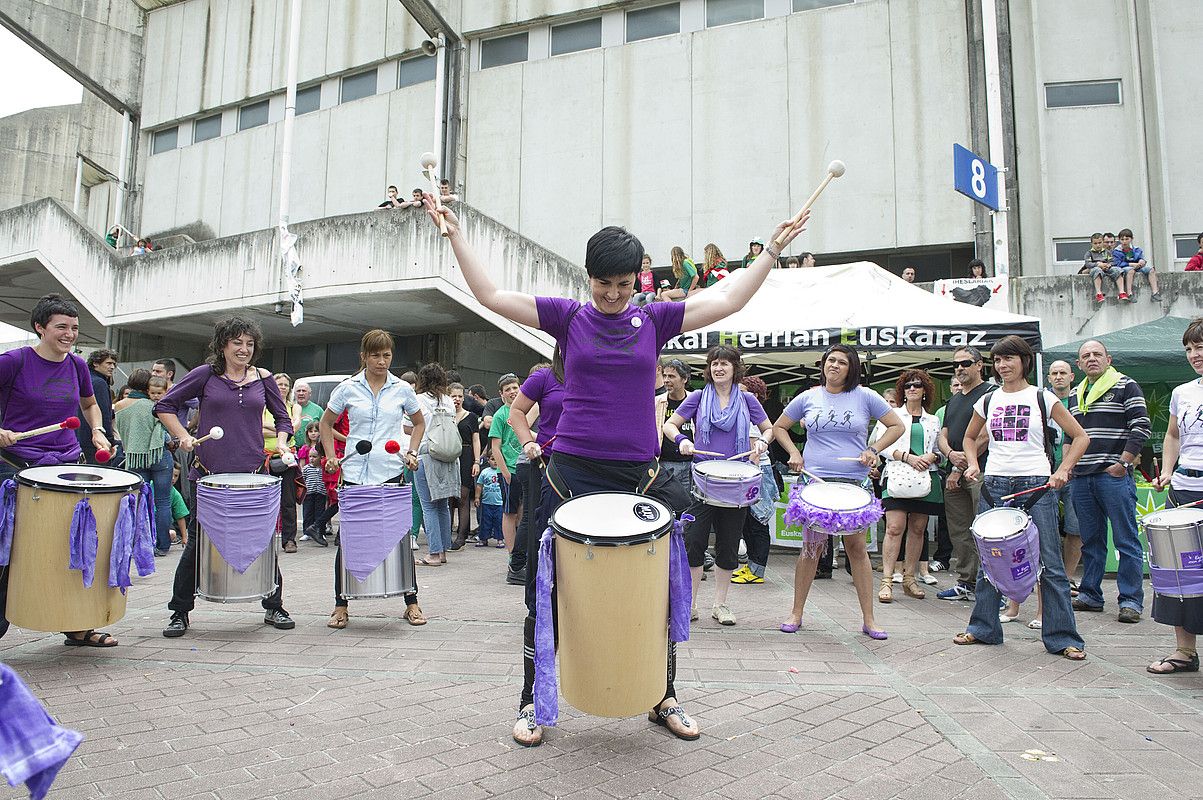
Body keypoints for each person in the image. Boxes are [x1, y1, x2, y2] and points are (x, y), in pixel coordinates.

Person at [422, 191, 808, 746]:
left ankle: (662, 694)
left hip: (637, 475)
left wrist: (770, 250)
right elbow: (489, 293)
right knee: (546, 589)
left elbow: (726, 303)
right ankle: (533, 700)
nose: (612, 294)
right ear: (589, 277)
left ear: (637, 280)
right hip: (570, 472)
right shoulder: (568, 316)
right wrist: (455, 232)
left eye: (624, 284)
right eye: (604, 283)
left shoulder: (654, 320)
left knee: (656, 590)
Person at [155, 316, 296, 638]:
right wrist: (182, 436)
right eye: (237, 343)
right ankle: (179, 611)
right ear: (222, 345)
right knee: (198, 543)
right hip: (209, 475)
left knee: (261, 542)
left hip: (253, 474)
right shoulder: (206, 375)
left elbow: (283, 419)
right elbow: (165, 405)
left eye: (249, 344)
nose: (244, 349)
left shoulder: (263, 378)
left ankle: (274, 605)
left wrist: (284, 442)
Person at [952, 335, 1089, 661]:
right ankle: (983, 628)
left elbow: (1080, 437)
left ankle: (1063, 637)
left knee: (1051, 564)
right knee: (989, 560)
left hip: (1036, 486)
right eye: (998, 360)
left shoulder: (1042, 397)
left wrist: (1063, 470)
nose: (1003, 366)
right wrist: (973, 463)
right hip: (994, 484)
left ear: (1024, 361)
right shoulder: (988, 399)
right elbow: (970, 437)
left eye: (1009, 359)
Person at [0, 294, 115, 645]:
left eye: (75, 328)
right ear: (40, 327)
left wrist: (96, 429)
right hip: (16, 466)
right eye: (61, 327)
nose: (69, 334)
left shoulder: (78, 366)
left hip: (65, 465)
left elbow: (90, 404)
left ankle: (76, 624)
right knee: (9, 552)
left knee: (70, 546)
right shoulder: (13, 361)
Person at [770, 344, 906, 639]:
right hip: (816, 482)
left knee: (857, 549)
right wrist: (795, 453)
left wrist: (874, 449)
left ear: (851, 368)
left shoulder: (866, 396)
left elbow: (896, 426)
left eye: (841, 362)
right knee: (811, 549)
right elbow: (780, 427)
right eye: (830, 360)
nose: (834, 366)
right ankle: (796, 612)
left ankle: (869, 619)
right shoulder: (808, 397)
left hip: (853, 484)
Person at [319, 329, 426, 628]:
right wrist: (331, 456)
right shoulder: (347, 388)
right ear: (364, 356)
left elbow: (419, 422)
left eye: (387, 355)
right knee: (348, 540)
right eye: (375, 355)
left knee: (399, 538)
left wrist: (412, 451)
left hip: (391, 471)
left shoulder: (402, 389)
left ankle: (412, 602)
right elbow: (326, 424)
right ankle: (341, 605)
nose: (382, 361)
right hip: (354, 473)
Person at [663, 346, 772, 626]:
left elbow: (768, 428)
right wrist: (683, 441)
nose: (718, 368)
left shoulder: (747, 400)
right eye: (714, 364)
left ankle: (720, 604)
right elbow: (669, 426)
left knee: (728, 545)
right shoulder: (699, 397)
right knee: (694, 542)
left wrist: (762, 442)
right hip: (704, 480)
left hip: (736, 482)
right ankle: (690, 604)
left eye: (724, 363)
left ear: (736, 368)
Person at [1069, 340, 1151, 623]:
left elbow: (1142, 426)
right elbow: (1070, 436)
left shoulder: (1126, 385)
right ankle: (1091, 594)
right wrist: (1068, 468)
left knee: (1126, 540)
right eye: (1085, 356)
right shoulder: (1074, 394)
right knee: (1090, 540)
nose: (1091, 359)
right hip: (1081, 477)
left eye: (1097, 354)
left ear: (1108, 358)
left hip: (1112, 475)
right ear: (1078, 364)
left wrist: (1123, 463)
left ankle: (1130, 600)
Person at [1149, 318, 1203, 674]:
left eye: (1200, 347)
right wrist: (1168, 470)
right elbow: (1172, 435)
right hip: (1184, 489)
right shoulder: (1183, 392)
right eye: (1189, 349)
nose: (1194, 354)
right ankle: (1184, 651)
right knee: (1179, 573)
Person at [874, 370, 942, 604]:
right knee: (894, 527)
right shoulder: (892, 415)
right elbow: (879, 446)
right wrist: (906, 457)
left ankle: (910, 577)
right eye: (908, 386)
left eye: (917, 385)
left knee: (918, 528)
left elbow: (939, 449)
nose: (912, 389)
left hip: (925, 477)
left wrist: (932, 457)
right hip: (897, 474)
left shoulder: (933, 420)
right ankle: (886, 579)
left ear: (925, 391)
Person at [936, 346, 993, 602]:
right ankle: (966, 582)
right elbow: (943, 434)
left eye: (966, 363)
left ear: (980, 365)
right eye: (956, 364)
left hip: (980, 471)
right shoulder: (955, 399)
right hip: (954, 470)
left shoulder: (991, 394)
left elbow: (985, 435)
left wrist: (960, 467)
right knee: (960, 530)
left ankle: (992, 586)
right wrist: (949, 455)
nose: (960, 368)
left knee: (985, 529)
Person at [507, 362, 566, 588]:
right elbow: (519, 416)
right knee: (535, 519)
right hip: (542, 462)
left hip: (575, 462)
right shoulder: (545, 378)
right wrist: (531, 442)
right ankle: (520, 565)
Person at [112, 369, 175, 557]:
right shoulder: (154, 405)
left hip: (134, 457)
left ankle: (137, 543)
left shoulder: (119, 405)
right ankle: (163, 546)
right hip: (159, 455)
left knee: (138, 502)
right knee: (163, 501)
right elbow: (165, 430)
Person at [733, 376, 779, 584]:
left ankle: (757, 570)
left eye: (744, 391)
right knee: (749, 523)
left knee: (757, 523)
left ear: (756, 395)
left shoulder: (752, 417)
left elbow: (754, 454)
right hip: (752, 475)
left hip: (755, 474)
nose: (739, 394)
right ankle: (751, 566)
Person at [413, 362, 459, 566]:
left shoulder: (418, 400)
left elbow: (409, 428)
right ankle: (443, 552)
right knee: (443, 506)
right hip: (449, 456)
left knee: (428, 506)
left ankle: (433, 553)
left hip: (427, 454)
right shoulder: (449, 401)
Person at [264, 373, 302, 553]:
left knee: (288, 501)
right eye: (279, 384)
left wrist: (272, 428)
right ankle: (264, 539)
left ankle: (289, 540)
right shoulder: (262, 405)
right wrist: (282, 428)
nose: (283, 387)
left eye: (286, 384)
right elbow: (256, 428)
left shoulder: (294, 407)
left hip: (287, 458)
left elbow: (294, 428)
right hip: (264, 458)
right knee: (264, 501)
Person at [449, 383, 481, 549]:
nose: (457, 399)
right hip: (447, 456)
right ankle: (446, 535)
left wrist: (477, 461)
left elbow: (476, 439)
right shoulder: (444, 415)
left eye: (460, 396)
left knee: (463, 497)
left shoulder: (471, 417)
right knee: (447, 498)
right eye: (454, 396)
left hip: (466, 455)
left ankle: (461, 536)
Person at [658, 359, 693, 498]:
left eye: (671, 376)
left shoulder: (695, 401)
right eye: (664, 376)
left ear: (684, 379)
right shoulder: (657, 401)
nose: (666, 380)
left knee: (688, 506)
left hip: (690, 463)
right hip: (664, 464)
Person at [77, 349, 118, 463]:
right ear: (95, 363)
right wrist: (110, 442)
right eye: (108, 363)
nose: (112, 367)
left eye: (114, 364)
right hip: (97, 443)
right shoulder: (99, 383)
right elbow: (104, 415)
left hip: (79, 439)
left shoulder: (84, 379)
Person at [1113, 228, 1161, 301]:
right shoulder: (1117, 251)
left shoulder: (1136, 249)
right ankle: (1129, 293)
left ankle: (1155, 293)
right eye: (1122, 239)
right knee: (1130, 271)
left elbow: (1141, 258)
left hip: (1138, 267)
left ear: (1131, 239)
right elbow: (1118, 264)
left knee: (1151, 269)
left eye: (1127, 239)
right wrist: (1131, 264)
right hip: (1125, 267)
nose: (1124, 241)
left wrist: (1142, 261)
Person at [475, 450, 505, 546]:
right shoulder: (485, 472)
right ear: (488, 460)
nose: (495, 461)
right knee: (485, 521)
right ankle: (483, 538)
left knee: (499, 522)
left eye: (497, 459)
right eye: (492, 459)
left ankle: (500, 539)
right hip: (486, 502)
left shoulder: (503, 471)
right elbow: (479, 485)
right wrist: (477, 498)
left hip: (499, 503)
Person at [300, 450, 328, 547]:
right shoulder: (306, 469)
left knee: (320, 513)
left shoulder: (323, 468)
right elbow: (303, 480)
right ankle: (307, 532)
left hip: (321, 493)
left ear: (321, 457)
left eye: (314, 457)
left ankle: (321, 532)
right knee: (307, 513)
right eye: (310, 456)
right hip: (309, 493)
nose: (312, 459)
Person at [292, 381, 323, 449]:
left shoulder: (318, 410)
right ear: (294, 394)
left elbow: (325, 428)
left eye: (304, 391)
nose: (301, 393)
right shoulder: (289, 408)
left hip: (311, 450)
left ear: (310, 394)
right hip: (292, 448)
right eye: (298, 391)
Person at [169, 463, 189, 547]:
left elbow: (180, 515)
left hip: (165, 525)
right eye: (171, 475)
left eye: (176, 476)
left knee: (172, 533)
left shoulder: (175, 493)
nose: (173, 478)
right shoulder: (151, 485)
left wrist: (184, 537)